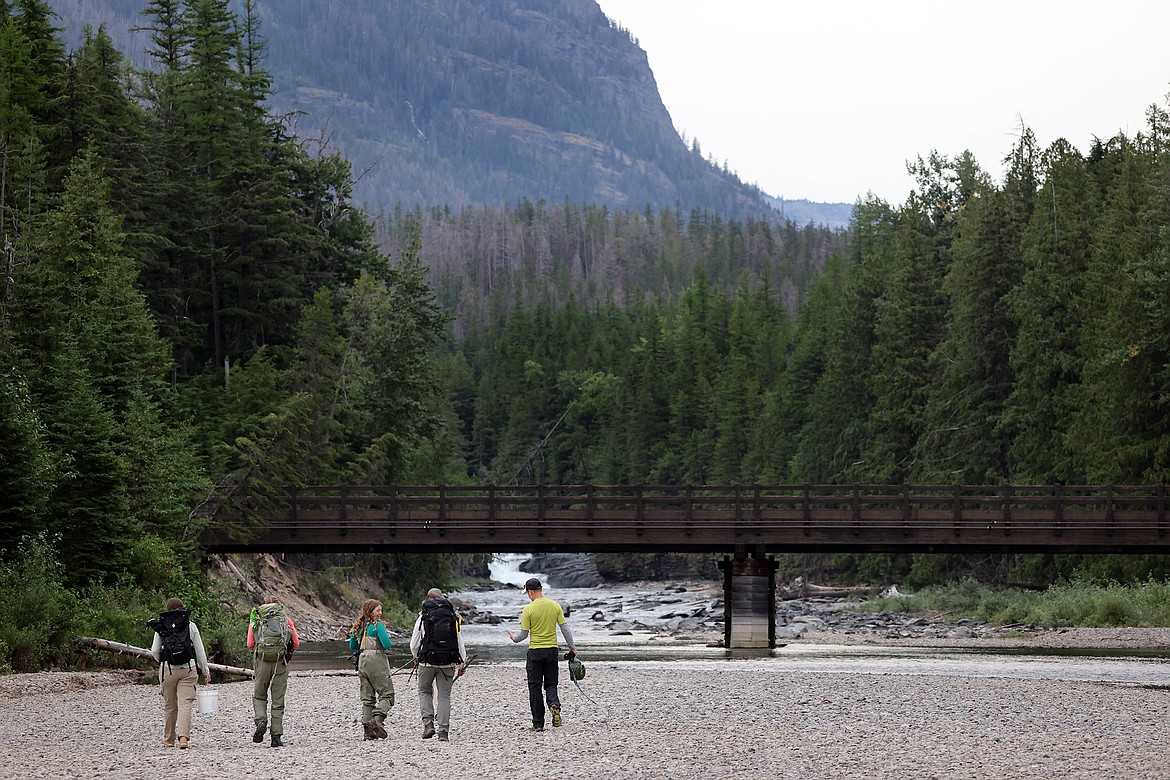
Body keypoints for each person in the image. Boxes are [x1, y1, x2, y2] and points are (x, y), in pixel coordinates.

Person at [506, 578, 578, 731]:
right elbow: (565, 629)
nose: (528, 596)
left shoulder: (528, 609)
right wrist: (572, 648)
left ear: (530, 591)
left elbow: (524, 635)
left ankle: (538, 723)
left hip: (535, 652)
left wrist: (514, 638)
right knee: (551, 684)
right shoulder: (554, 605)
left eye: (527, 593)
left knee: (535, 687)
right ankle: (554, 705)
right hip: (552, 651)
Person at [148, 597, 211, 749]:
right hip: (188, 669)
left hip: (167, 670)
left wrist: (161, 661)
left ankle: (169, 739)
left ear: (167, 610)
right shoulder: (190, 625)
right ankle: (183, 738)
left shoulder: (161, 625)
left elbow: (155, 650)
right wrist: (205, 670)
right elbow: (200, 651)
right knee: (185, 704)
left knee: (170, 706)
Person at [409, 588, 469, 742]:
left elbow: (414, 644)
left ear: (427, 600)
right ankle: (443, 732)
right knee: (444, 696)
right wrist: (462, 664)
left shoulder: (423, 616)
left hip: (426, 662)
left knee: (424, 692)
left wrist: (416, 657)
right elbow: (459, 642)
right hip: (448, 662)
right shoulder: (451, 616)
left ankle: (428, 724)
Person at [247, 595, 300, 747]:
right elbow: (296, 643)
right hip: (280, 663)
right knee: (277, 700)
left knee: (259, 695)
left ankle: (261, 720)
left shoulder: (256, 620)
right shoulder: (286, 620)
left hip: (262, 661)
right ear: (278, 605)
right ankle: (276, 737)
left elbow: (250, 644)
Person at [348, 598, 395, 740]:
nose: (380, 613)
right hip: (376, 660)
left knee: (367, 698)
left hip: (362, 661)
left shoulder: (358, 626)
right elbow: (387, 644)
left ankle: (368, 732)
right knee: (387, 694)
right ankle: (377, 719)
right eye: (378, 610)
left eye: (380, 610)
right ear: (370, 611)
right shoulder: (377, 626)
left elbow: (352, 646)